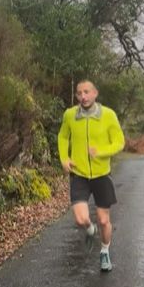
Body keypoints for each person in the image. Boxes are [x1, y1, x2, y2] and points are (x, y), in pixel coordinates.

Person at [57, 79, 125, 271]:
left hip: (102, 174)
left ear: (95, 93)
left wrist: (100, 151)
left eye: (87, 92)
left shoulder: (108, 115)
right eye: (79, 93)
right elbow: (63, 136)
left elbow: (119, 142)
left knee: (104, 220)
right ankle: (90, 229)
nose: (83, 96)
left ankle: (104, 251)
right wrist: (64, 158)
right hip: (79, 174)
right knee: (80, 219)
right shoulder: (70, 115)